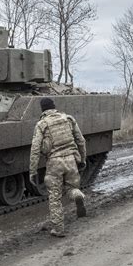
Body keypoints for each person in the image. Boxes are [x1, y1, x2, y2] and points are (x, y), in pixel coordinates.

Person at [29, 97, 87, 237]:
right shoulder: (68, 119)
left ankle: (58, 229)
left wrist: (33, 170)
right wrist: (83, 159)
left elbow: (35, 148)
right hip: (71, 160)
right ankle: (78, 195)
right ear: (54, 107)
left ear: (43, 110)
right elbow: (81, 140)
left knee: (55, 197)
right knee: (71, 188)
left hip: (54, 163)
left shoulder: (42, 124)